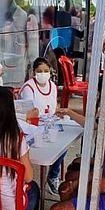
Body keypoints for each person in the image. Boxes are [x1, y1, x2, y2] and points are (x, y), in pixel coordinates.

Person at [19, 57, 63, 193]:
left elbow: (53, 109)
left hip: (49, 123)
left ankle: (53, 175)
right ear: (33, 72)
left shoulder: (53, 87)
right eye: (39, 71)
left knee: (62, 145)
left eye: (46, 71)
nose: (43, 74)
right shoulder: (28, 88)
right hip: (31, 126)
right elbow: (30, 112)